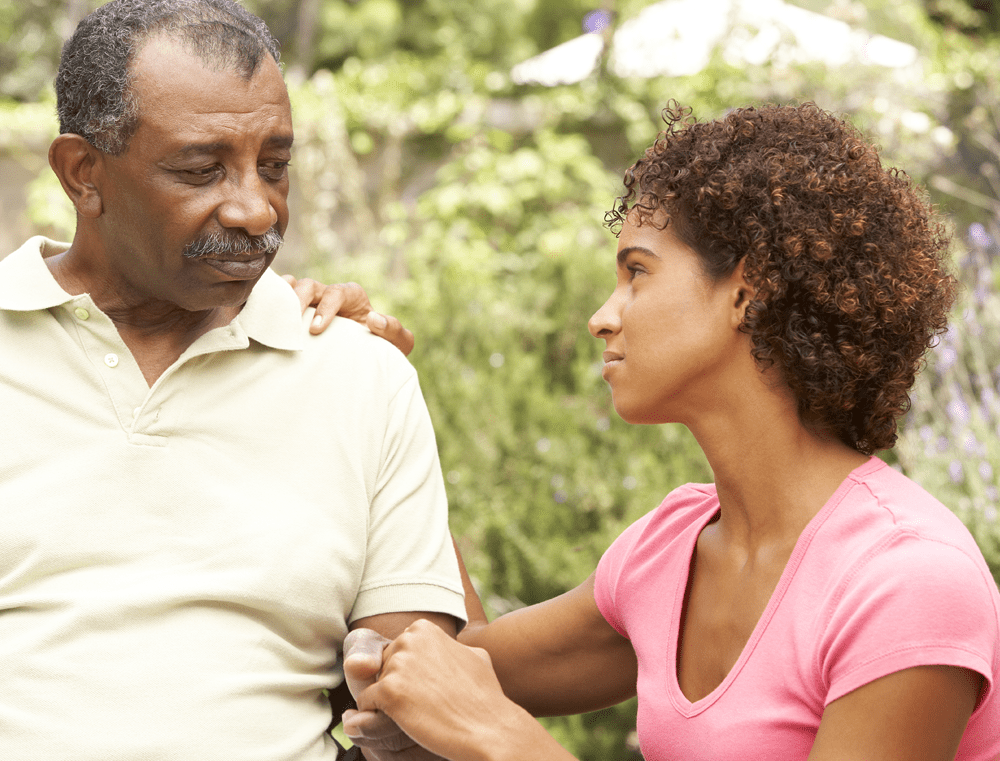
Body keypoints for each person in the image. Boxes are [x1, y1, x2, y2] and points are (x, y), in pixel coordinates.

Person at [339, 103, 1000, 761]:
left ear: (751, 288)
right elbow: (453, 669)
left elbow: (481, 713)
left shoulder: (906, 581)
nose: (603, 316)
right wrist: (385, 400)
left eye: (636, 272)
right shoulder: (670, 550)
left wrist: (505, 740)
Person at [0, 1, 465, 759]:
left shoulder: (360, 374)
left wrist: (391, 689)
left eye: (274, 165)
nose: (256, 209)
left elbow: (418, 681)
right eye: (201, 168)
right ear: (83, 173)